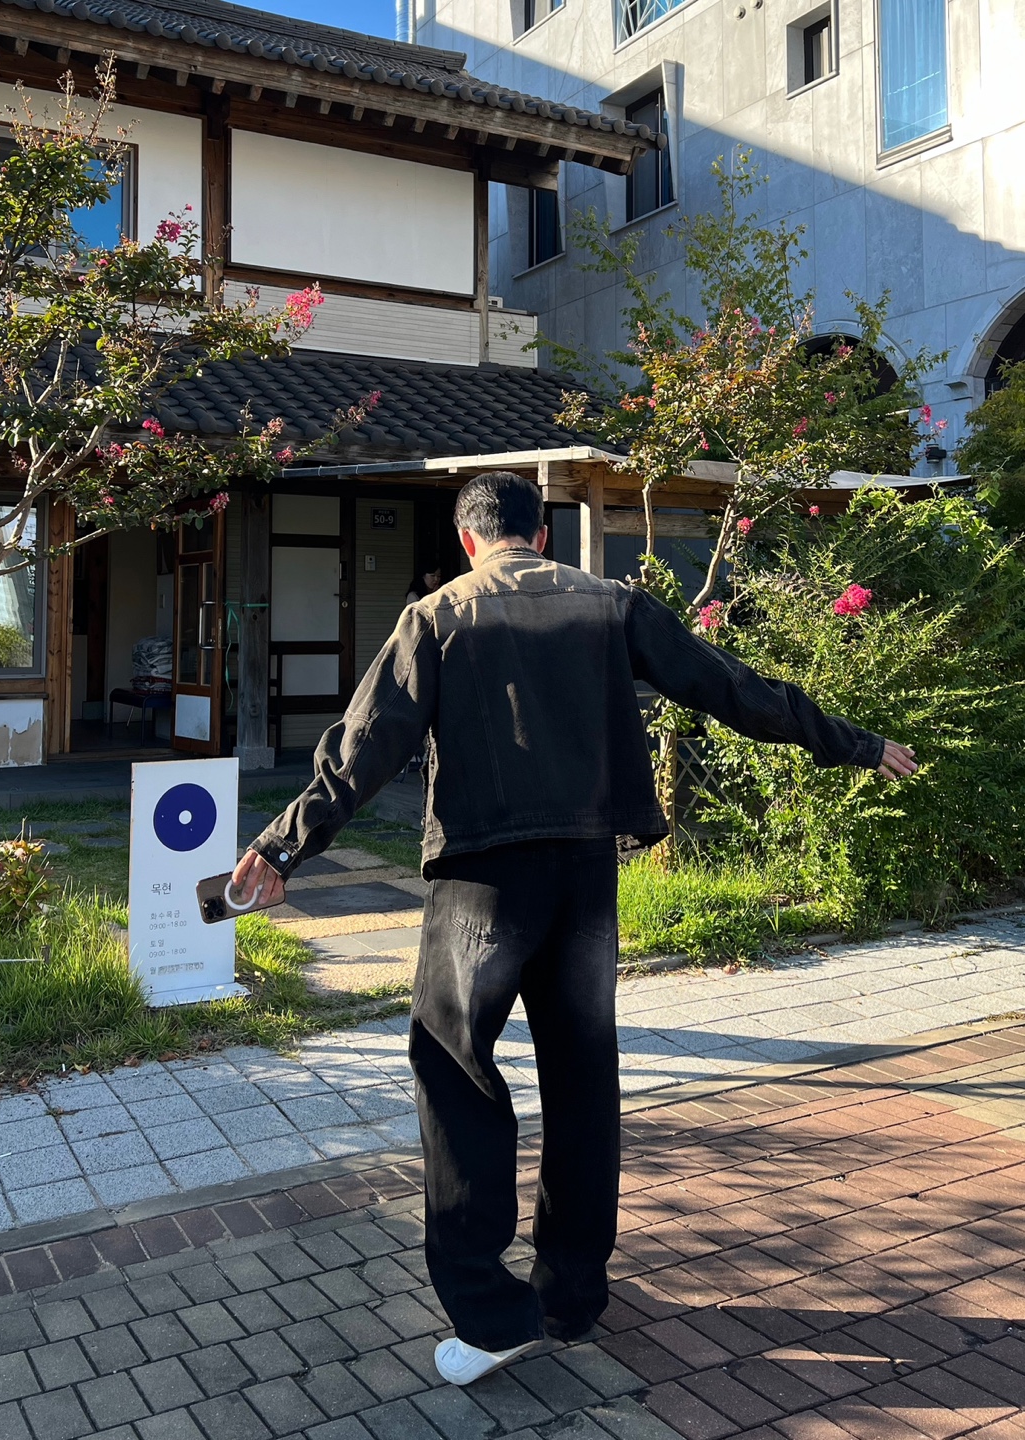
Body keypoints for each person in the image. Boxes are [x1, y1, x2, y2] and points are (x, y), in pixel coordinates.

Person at [232, 471, 917, 1388]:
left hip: (482, 877)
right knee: (583, 1077)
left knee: (456, 1069)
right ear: (543, 534)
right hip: (587, 872)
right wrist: (856, 743)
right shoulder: (613, 604)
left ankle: (490, 1316)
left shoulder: (436, 616)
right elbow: (733, 688)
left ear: (467, 540)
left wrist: (283, 846)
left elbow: (363, 747)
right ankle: (570, 1296)